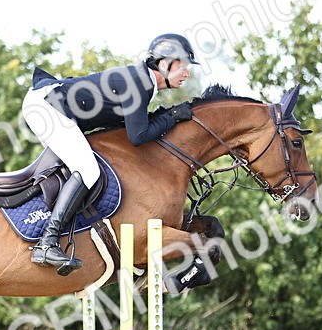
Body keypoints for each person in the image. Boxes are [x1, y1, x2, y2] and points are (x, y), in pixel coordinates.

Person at [21, 33, 198, 273]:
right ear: (164, 63)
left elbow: (132, 128)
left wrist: (167, 117)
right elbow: (138, 137)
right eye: (182, 65)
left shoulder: (140, 82)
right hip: (47, 107)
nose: (187, 73)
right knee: (86, 170)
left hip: (49, 105)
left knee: (81, 168)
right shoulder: (138, 83)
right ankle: (47, 242)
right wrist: (173, 116)